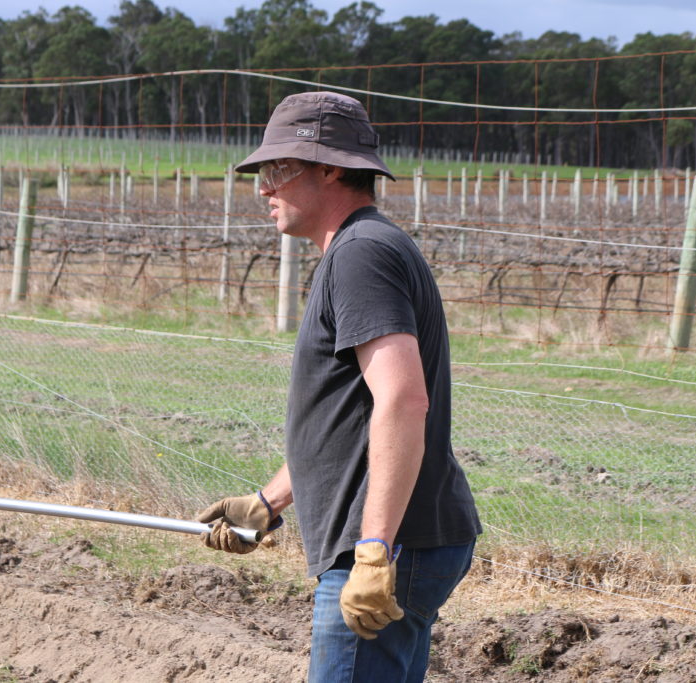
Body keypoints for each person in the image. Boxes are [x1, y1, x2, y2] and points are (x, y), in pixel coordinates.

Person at [197, 91, 482, 683]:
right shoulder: (359, 249)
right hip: (393, 541)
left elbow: (403, 400)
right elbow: (347, 421)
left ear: (329, 168)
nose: (263, 188)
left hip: (383, 547)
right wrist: (269, 503)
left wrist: (375, 549)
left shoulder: (360, 255)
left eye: (278, 169)